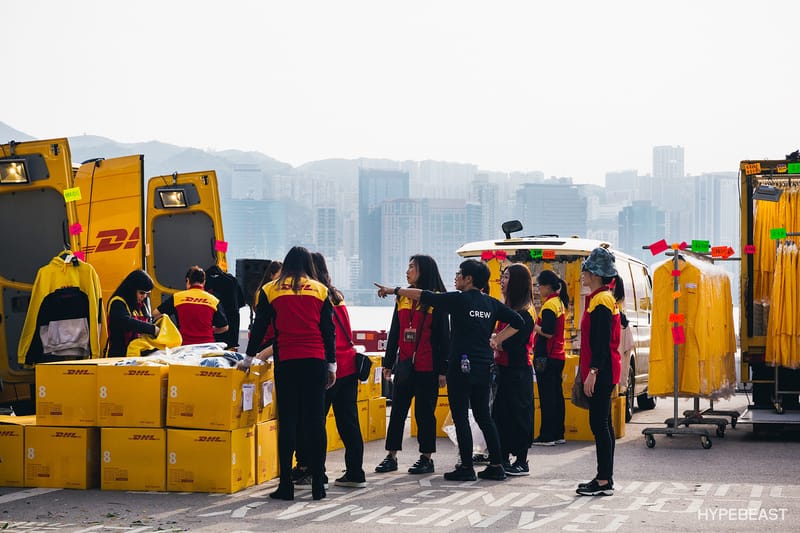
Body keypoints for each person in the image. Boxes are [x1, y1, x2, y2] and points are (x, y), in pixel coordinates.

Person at [376, 258, 524, 482]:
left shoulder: (459, 300)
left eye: (459, 274)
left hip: (460, 367)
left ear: (469, 279)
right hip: (484, 367)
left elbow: (425, 296)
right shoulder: (491, 304)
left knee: (461, 417)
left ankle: (466, 466)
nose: (455, 277)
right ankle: (496, 465)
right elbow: (519, 321)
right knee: (485, 416)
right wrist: (496, 339)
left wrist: (393, 290)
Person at [241, 246, 336, 501]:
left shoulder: (270, 290)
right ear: (307, 265)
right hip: (315, 361)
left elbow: (260, 327)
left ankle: (286, 485)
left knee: (289, 423)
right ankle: (318, 484)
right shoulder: (320, 290)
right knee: (316, 423)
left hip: (288, 362)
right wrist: (332, 365)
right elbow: (329, 331)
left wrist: (249, 358)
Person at [293, 252, 366, 489]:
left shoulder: (316, 295)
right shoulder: (337, 295)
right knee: (349, 423)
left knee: (314, 423)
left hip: (327, 367)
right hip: (349, 365)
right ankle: (355, 472)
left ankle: (316, 472)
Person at [374, 255, 450, 476]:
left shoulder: (437, 300)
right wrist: (389, 363)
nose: (408, 271)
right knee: (397, 411)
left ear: (424, 271)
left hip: (428, 366)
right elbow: (395, 331)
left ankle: (426, 458)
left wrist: (443, 369)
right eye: (408, 266)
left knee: (425, 413)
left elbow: (445, 338)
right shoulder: (403, 299)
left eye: (412, 267)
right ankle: (391, 456)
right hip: (406, 365)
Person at [576, 247, 622, 497]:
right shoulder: (602, 297)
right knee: (604, 424)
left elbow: (602, 341)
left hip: (601, 371)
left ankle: (603, 480)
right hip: (606, 369)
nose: (583, 274)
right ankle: (605, 477)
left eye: (585, 269)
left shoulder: (601, 300)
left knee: (599, 424)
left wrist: (592, 371)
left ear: (594, 273)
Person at [491, 263, 536, 476]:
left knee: (519, 415)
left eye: (507, 277)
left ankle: (521, 460)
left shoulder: (525, 312)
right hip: (504, 369)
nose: (502, 281)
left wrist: (497, 342)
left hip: (518, 370)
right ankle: (503, 456)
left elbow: (511, 344)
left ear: (517, 282)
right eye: (503, 276)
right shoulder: (508, 309)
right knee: (501, 414)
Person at [532, 269, 569, 446]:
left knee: (547, 397)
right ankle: (558, 433)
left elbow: (547, 332)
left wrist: (533, 326)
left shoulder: (549, 305)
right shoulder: (559, 303)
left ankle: (547, 435)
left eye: (539, 285)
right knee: (556, 396)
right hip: (557, 356)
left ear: (547, 286)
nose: (538, 289)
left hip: (545, 356)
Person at [153, 266, 228, 345]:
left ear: (188, 280)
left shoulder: (177, 297)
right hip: (207, 346)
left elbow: (155, 314)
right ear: (204, 282)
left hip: (184, 346)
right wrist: (211, 329)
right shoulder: (213, 300)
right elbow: (224, 327)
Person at [106, 269, 159, 356]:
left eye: (147, 293)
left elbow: (147, 321)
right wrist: (152, 329)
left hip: (137, 355)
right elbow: (126, 322)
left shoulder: (142, 305)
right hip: (120, 357)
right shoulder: (117, 302)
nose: (144, 296)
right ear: (131, 289)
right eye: (142, 292)